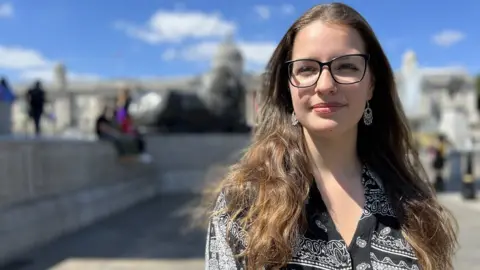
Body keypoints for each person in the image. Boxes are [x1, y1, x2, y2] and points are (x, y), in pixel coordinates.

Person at [205, 3, 457, 270]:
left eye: (346, 66)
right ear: (288, 86)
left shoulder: (415, 205)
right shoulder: (242, 203)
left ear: (371, 83)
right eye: (306, 69)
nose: (325, 85)